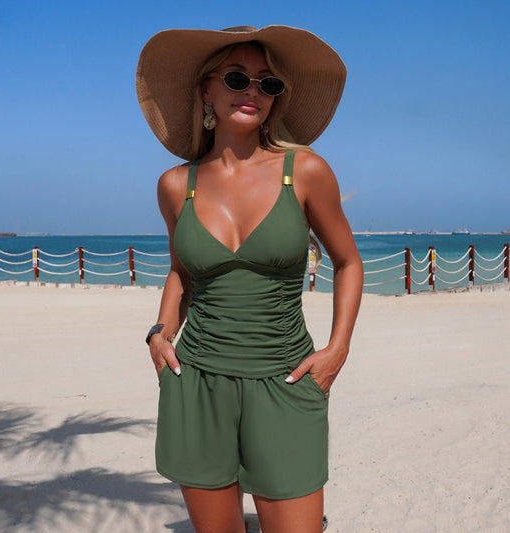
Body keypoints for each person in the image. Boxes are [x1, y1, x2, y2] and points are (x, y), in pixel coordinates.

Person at [137, 25, 364, 533]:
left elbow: (349, 262)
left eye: (268, 83)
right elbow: (182, 271)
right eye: (237, 78)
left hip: (286, 379)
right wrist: (158, 333)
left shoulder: (305, 171)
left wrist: (337, 350)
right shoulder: (175, 185)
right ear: (207, 90)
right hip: (196, 382)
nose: (253, 92)